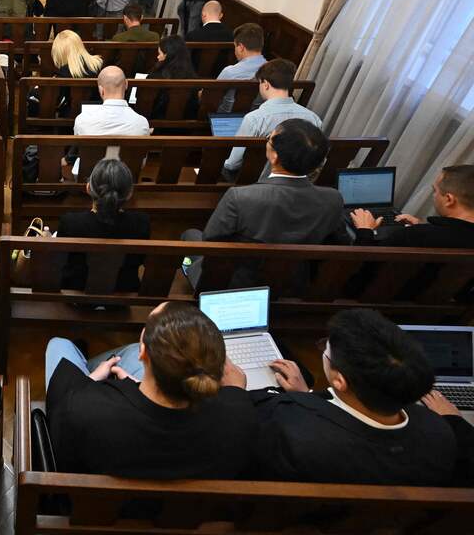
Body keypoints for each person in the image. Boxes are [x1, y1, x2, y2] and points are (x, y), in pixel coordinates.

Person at [45, 302, 257, 480]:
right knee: (127, 352)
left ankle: (83, 358)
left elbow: (60, 413)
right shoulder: (239, 417)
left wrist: (91, 380)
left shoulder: (84, 408)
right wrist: (237, 391)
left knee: (59, 345)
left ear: (144, 352)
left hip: (96, 510)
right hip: (177, 512)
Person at [250, 309, 455, 486]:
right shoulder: (441, 433)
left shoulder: (287, 427)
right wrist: (308, 398)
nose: (323, 351)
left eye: (325, 349)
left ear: (339, 381)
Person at [183, 119, 349, 288]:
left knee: (190, 235)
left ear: (274, 156)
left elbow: (210, 241)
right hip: (293, 284)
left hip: (235, 283)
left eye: (269, 139)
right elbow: (339, 241)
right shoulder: (333, 199)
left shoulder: (240, 197)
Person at [56, 158, 150, 291]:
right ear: (129, 193)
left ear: (88, 188)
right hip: (124, 291)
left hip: (75, 290)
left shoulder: (70, 222)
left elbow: (61, 259)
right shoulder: (142, 223)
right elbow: (140, 259)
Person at [223, 59, 321, 177]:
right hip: (300, 178)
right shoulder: (313, 118)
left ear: (265, 84)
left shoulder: (254, 119)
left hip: (256, 179)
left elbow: (233, 164)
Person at [351, 164, 474, 247]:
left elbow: (362, 264)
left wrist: (365, 231)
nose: (434, 196)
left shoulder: (413, 236)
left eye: (435, 191)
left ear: (449, 199)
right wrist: (424, 227)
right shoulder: (422, 234)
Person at [214, 23, 267, 113]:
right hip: (257, 117)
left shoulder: (229, 72)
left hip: (225, 117)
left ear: (241, 47)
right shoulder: (272, 70)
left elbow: (212, 98)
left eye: (235, 46)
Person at [51, 29, 103, 119]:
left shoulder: (63, 72)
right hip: (96, 114)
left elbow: (57, 101)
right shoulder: (98, 64)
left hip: (71, 116)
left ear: (60, 52)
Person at [146, 35, 199, 120]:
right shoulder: (193, 78)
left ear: (167, 55)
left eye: (159, 54)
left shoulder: (155, 77)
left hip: (156, 122)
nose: (158, 57)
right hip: (186, 123)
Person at [185, 0, 233, 72]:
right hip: (220, 76)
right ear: (221, 15)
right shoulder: (231, 35)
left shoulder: (193, 35)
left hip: (194, 76)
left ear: (203, 14)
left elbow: (184, 60)